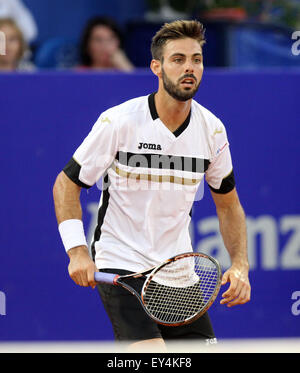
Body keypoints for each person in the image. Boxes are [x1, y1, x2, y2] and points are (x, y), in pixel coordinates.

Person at [53, 20, 251, 351]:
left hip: (178, 274)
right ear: (156, 67)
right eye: (178, 59)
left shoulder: (213, 131)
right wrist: (77, 251)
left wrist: (241, 264)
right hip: (122, 265)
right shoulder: (119, 121)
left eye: (196, 59)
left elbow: (228, 203)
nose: (189, 67)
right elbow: (66, 184)